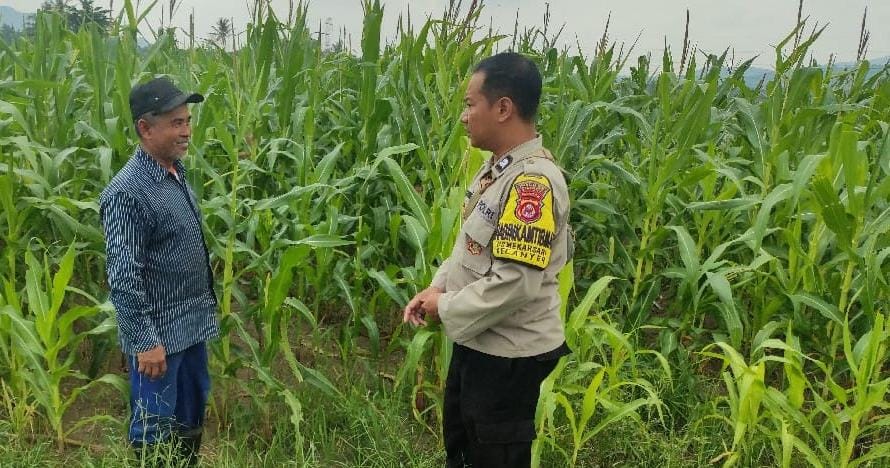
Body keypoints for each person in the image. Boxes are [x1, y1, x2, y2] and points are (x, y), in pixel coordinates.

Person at [404, 52, 573, 467]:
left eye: (470, 104)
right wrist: (438, 286)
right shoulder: (498, 171)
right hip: (480, 341)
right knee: (463, 449)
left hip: (508, 356)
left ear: (503, 108)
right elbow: (471, 247)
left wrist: (444, 306)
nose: (464, 117)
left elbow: (515, 283)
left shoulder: (532, 183)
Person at [100, 77, 218, 466]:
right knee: (154, 426)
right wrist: (144, 341)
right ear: (145, 128)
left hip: (191, 327)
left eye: (187, 121)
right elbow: (123, 277)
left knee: (190, 415)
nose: (186, 131)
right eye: (176, 123)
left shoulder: (175, 172)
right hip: (159, 339)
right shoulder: (127, 193)